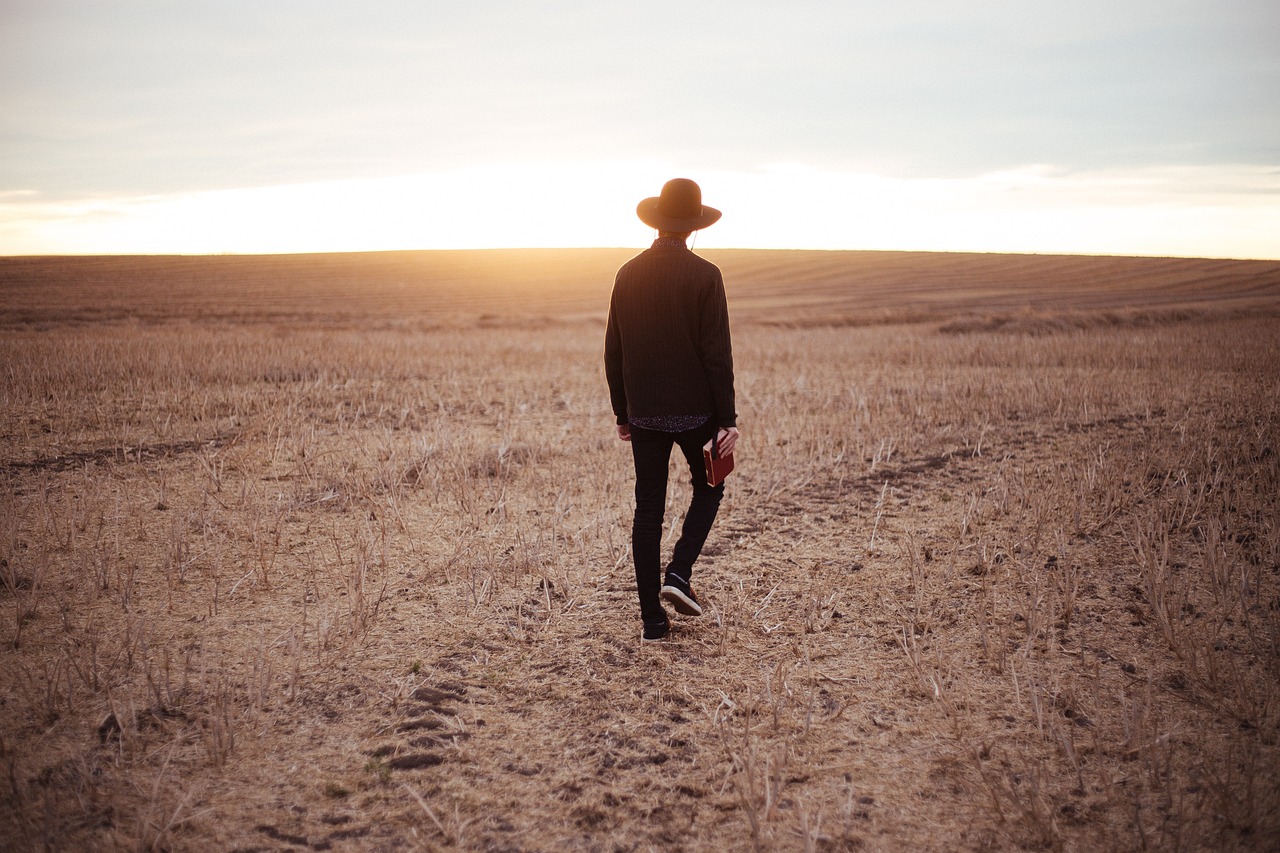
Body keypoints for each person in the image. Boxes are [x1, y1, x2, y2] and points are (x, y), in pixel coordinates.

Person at [604, 178, 740, 641]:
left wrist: (623, 413)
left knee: (648, 509)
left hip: (644, 414)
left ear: (658, 222)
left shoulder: (626, 273)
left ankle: (652, 623)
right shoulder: (706, 275)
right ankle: (678, 574)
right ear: (693, 226)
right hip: (698, 413)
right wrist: (728, 420)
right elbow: (716, 354)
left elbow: (613, 351)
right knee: (712, 487)